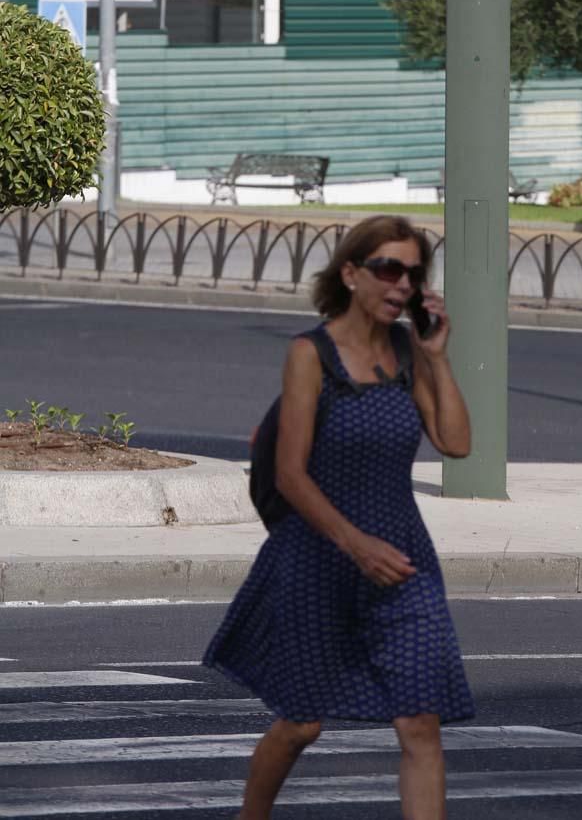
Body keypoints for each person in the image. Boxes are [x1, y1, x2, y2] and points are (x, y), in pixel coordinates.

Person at [204, 214, 474, 820]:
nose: (402, 284)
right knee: (301, 725)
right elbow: (290, 476)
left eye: (412, 272)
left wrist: (438, 357)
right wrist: (356, 547)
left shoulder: (409, 352)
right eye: (388, 269)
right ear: (351, 274)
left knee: (420, 722)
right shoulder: (311, 355)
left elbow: (456, 444)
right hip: (320, 558)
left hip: (403, 559)